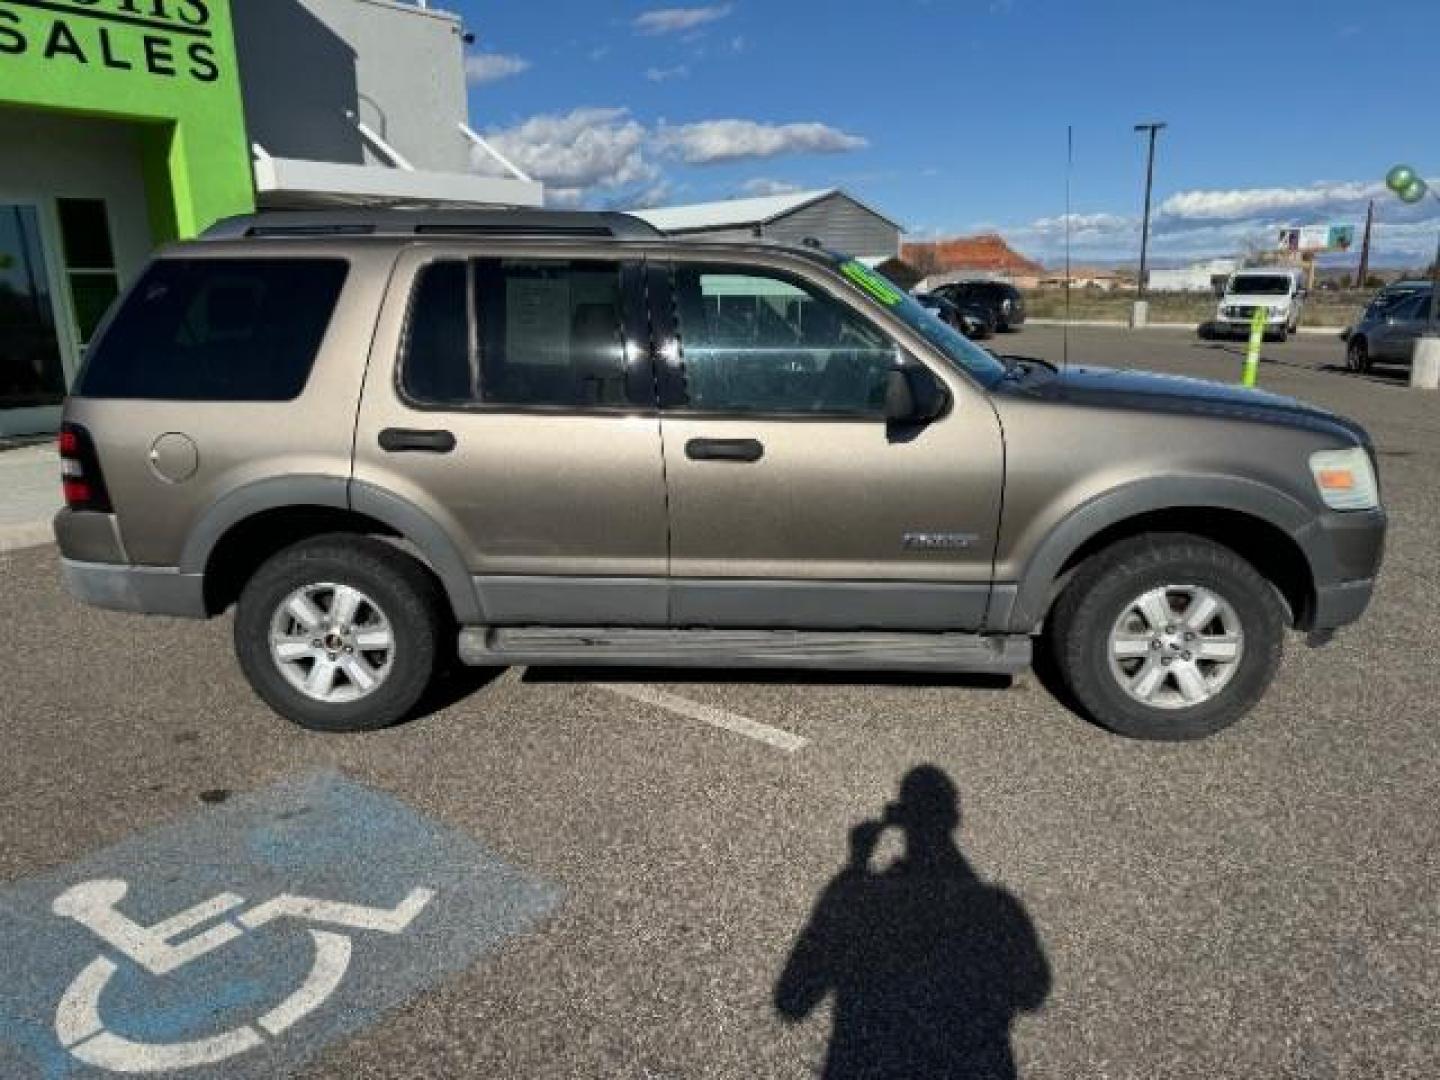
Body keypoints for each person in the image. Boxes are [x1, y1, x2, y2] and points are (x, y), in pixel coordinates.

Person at [775, 766, 1050, 1079]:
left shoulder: (864, 899)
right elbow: (1033, 992)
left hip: (868, 1063)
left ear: (901, 818)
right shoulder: (999, 907)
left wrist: (856, 865)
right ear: (954, 818)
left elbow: (792, 1000)